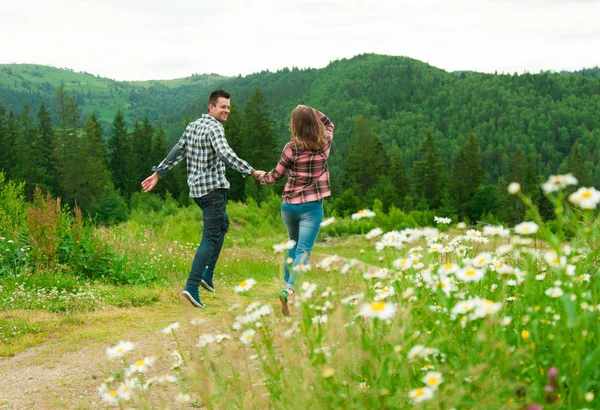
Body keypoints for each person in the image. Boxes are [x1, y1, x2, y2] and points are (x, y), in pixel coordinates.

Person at [141, 89, 262, 308]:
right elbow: (225, 154)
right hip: (213, 191)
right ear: (211, 107)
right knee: (210, 236)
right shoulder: (215, 128)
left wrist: (159, 173)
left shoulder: (193, 126)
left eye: (228, 108)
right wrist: (252, 171)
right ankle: (192, 285)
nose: (226, 111)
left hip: (197, 191)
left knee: (223, 225)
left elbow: (177, 151)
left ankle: (208, 274)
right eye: (223, 107)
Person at [258, 105, 334, 315]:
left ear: (295, 126)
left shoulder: (290, 148)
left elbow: (275, 175)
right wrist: (311, 110)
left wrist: (260, 176)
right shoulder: (324, 143)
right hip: (312, 206)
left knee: (292, 242)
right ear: (313, 123)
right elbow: (329, 123)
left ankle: (286, 285)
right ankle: (290, 290)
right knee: (304, 250)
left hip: (289, 205)